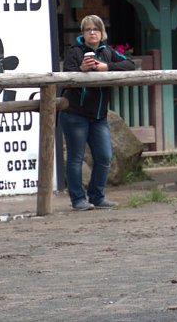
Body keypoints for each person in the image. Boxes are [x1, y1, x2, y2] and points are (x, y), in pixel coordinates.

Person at [60, 15, 135, 211]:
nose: (92, 32)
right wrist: (82, 69)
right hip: (75, 114)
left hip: (99, 116)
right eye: (88, 29)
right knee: (76, 158)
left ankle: (97, 196)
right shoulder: (74, 52)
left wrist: (106, 67)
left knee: (104, 156)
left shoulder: (108, 52)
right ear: (82, 34)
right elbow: (66, 75)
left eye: (96, 29)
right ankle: (78, 200)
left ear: (102, 33)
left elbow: (130, 65)